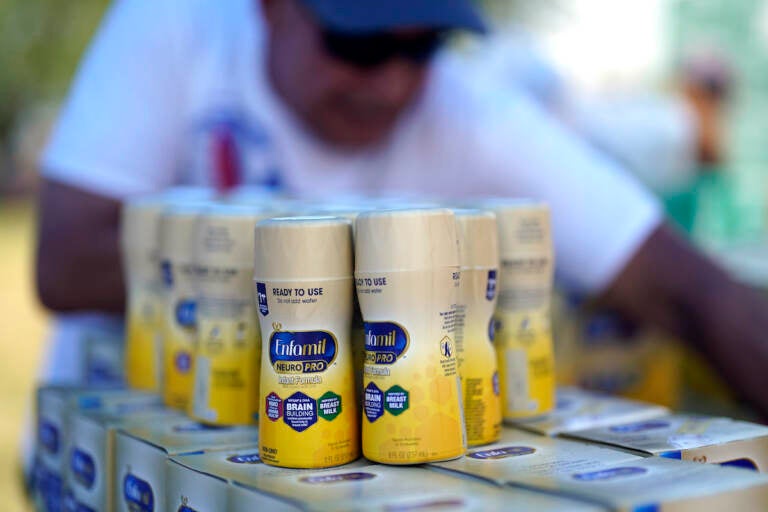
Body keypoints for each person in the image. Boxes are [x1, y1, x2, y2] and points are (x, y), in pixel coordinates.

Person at [37, 0, 768, 418]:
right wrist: (364, 261)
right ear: (271, 9)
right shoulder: (170, 25)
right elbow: (65, 264)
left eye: (424, 49)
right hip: (112, 459)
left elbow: (691, 290)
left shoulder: (469, 108)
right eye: (355, 42)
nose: (390, 86)